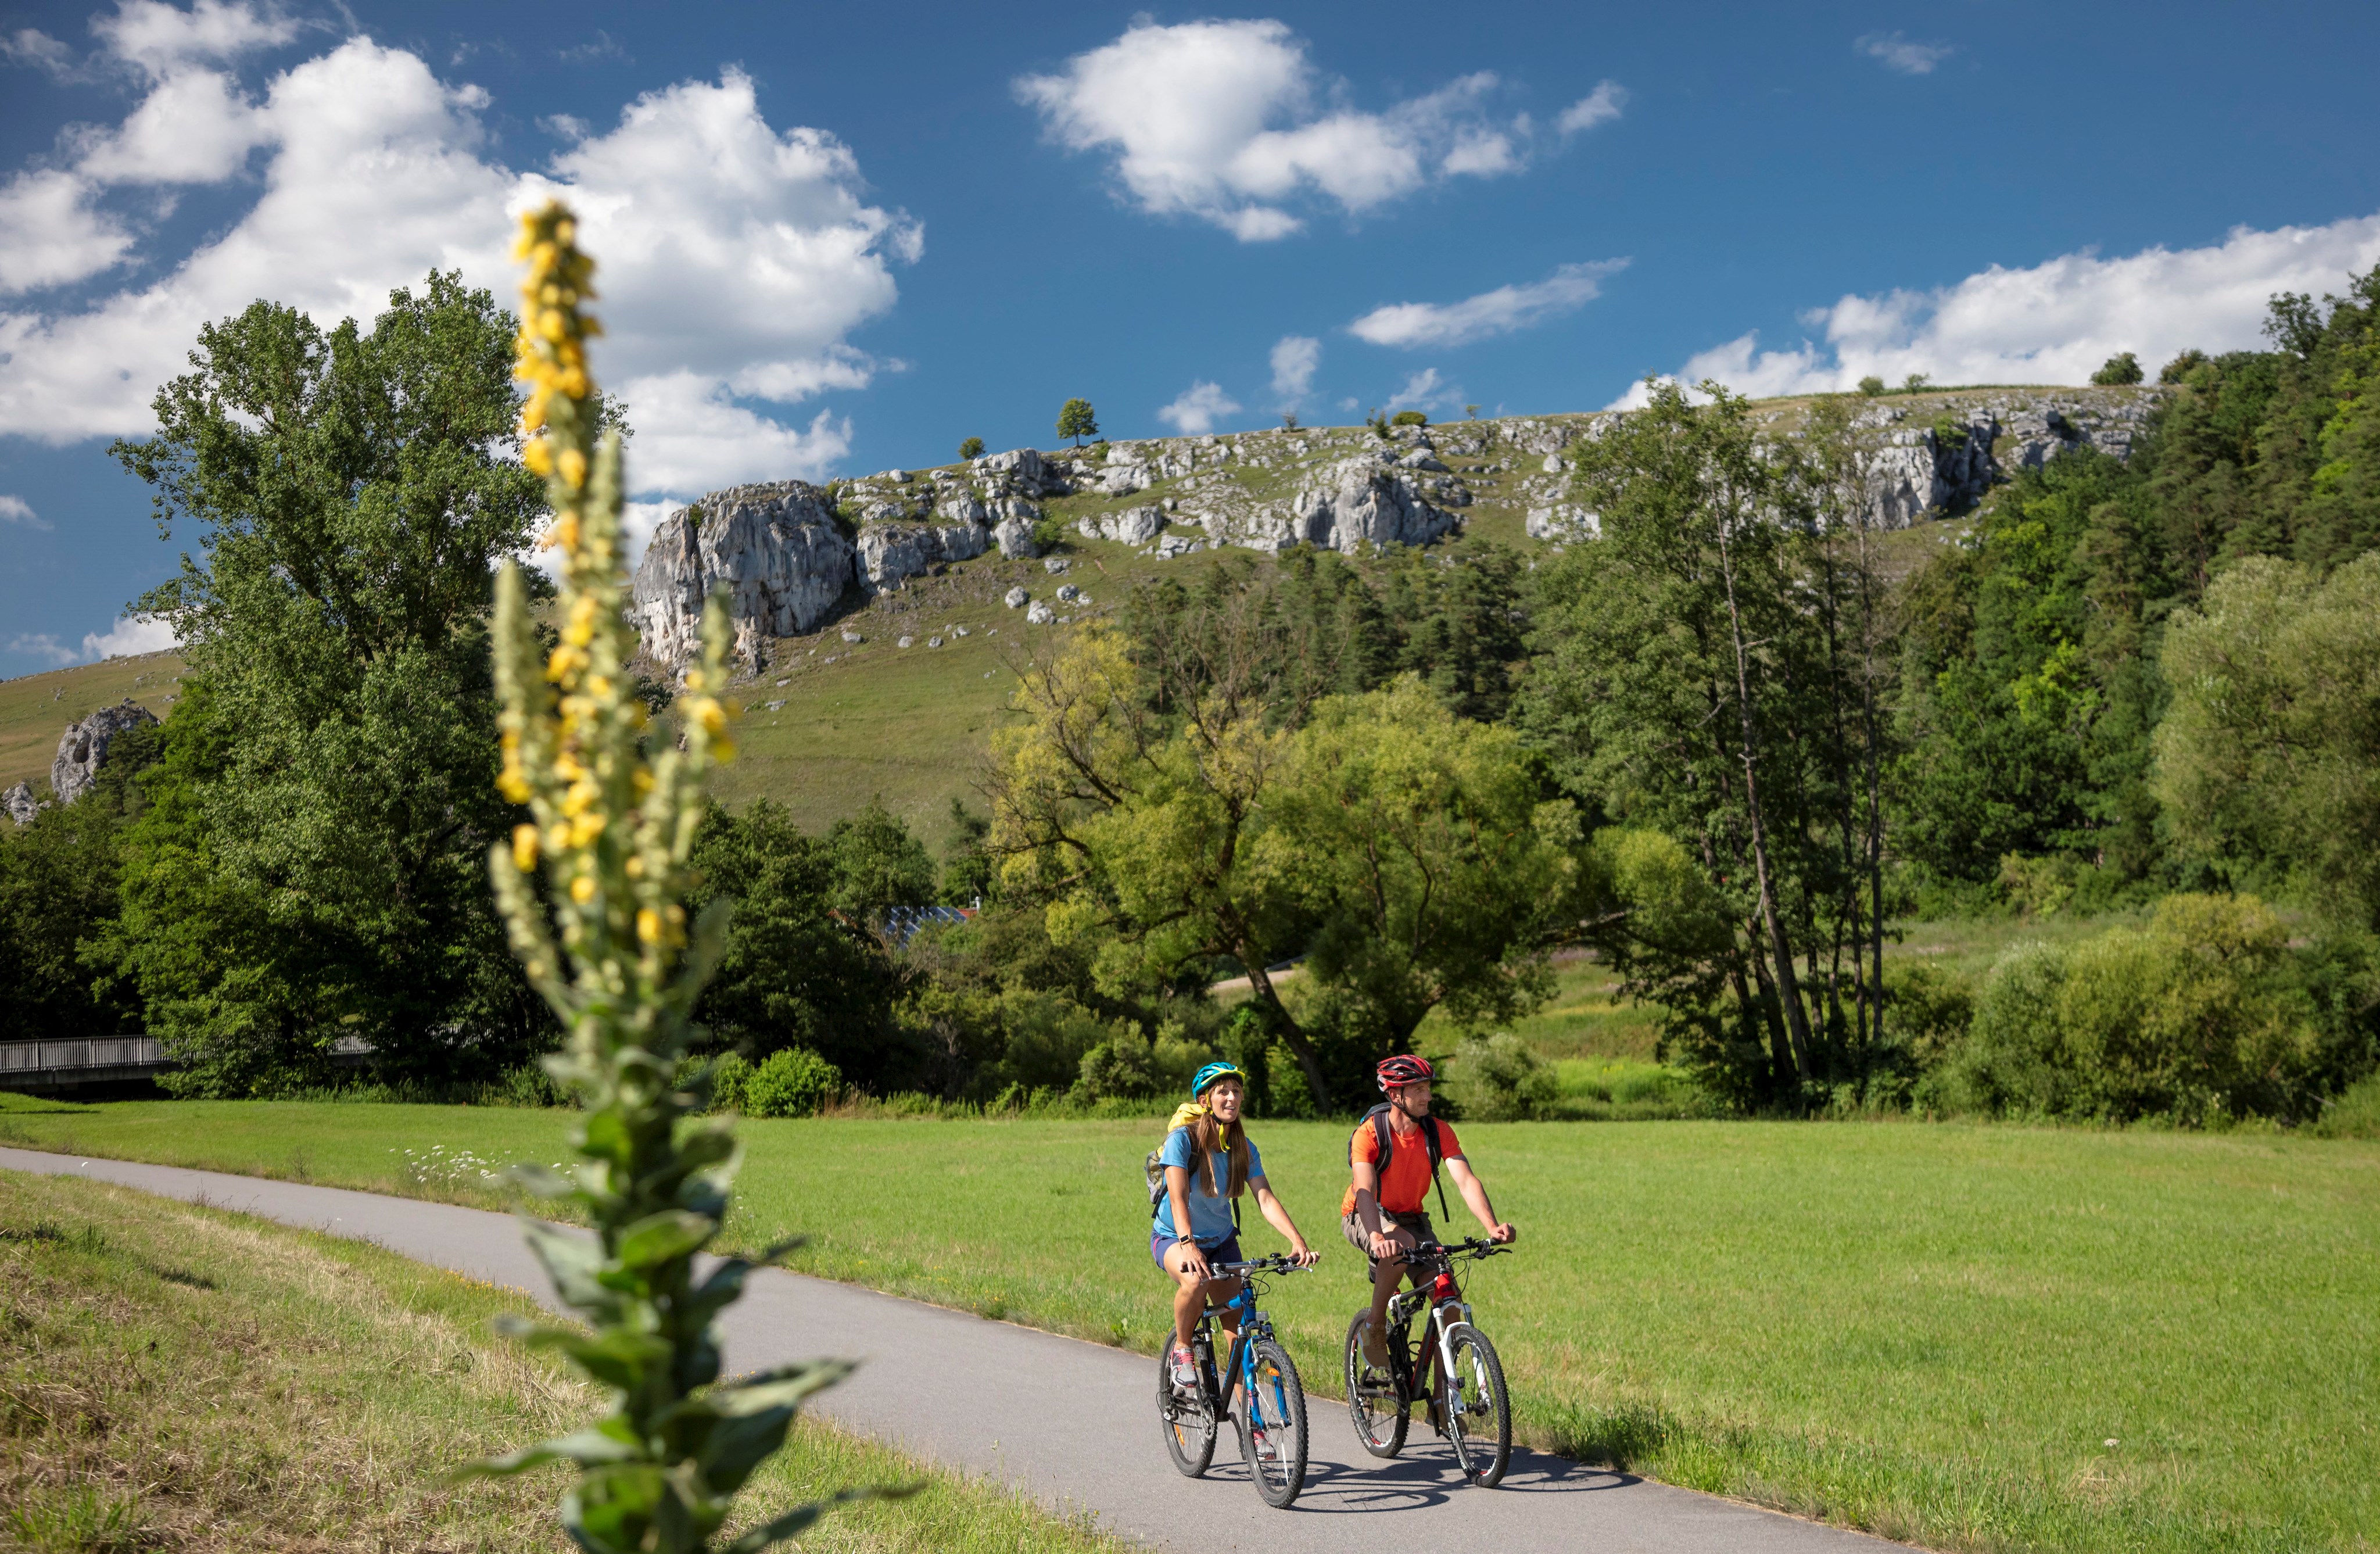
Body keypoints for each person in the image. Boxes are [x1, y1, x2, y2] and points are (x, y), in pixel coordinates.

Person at [1344, 1054, 1515, 1372]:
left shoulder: (1437, 1132)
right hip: (1365, 1214)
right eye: (1419, 1089)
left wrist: (1492, 1226)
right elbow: (1364, 1191)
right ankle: (1375, 1323)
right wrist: (1378, 1236)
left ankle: (1441, 1401)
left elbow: (1465, 1180)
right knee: (1401, 1242)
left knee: (1448, 1298)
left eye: (1428, 1087)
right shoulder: (1369, 1134)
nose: (1429, 1096)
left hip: (1412, 1217)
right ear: (1396, 1095)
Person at [1155, 1061, 1320, 1390]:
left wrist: (1297, 1241)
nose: (1231, 1098)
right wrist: (1188, 1244)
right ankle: (1183, 1349)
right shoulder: (1182, 1142)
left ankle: (1254, 1431)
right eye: (1222, 1092)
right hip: (1174, 1237)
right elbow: (1178, 1197)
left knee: (1239, 1342)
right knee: (1195, 1281)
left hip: (1221, 1241)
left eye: (1236, 1091)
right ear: (1205, 1101)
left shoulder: (1243, 1147)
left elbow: (1265, 1199)